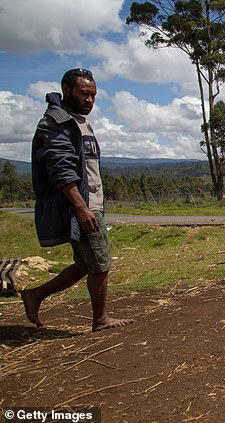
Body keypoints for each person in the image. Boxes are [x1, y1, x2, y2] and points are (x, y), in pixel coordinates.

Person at [21, 68, 133, 332]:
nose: (90, 101)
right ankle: (100, 319)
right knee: (101, 264)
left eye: (93, 96)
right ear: (67, 89)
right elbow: (61, 170)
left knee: (86, 263)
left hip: (90, 204)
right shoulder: (57, 122)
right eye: (84, 94)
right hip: (81, 207)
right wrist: (82, 208)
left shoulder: (78, 120)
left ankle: (35, 295)